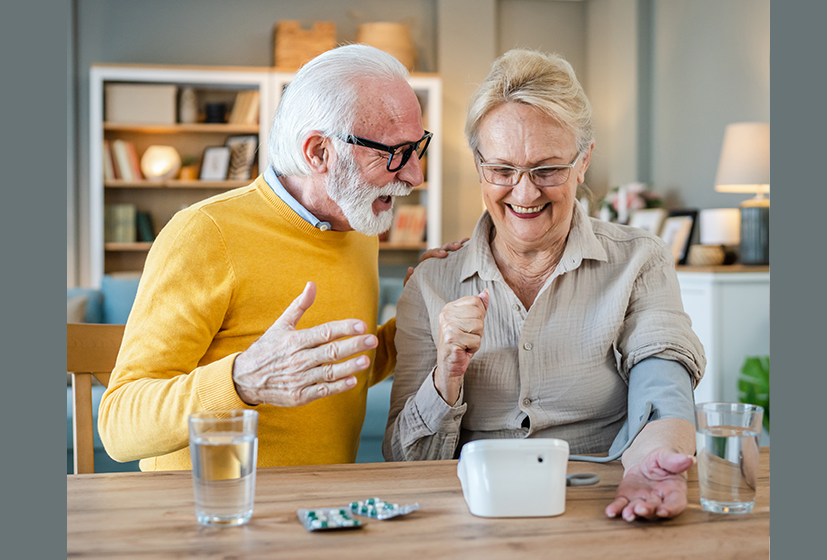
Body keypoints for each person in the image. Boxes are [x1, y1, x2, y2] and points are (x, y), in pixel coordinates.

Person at [383, 49, 706, 522]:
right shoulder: (432, 284)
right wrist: (446, 377)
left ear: (583, 160)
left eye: (547, 169)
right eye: (502, 170)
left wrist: (655, 463)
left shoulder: (639, 259)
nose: (525, 191)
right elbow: (405, 462)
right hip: (475, 515)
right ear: (478, 165)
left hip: (606, 503)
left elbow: (662, 376)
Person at [99, 44, 454, 471]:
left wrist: (422, 311)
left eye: (418, 148)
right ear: (319, 152)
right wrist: (243, 380)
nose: (415, 174)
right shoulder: (205, 234)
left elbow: (335, 368)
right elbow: (119, 425)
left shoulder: (360, 228)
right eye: (394, 153)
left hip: (320, 511)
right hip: (209, 514)